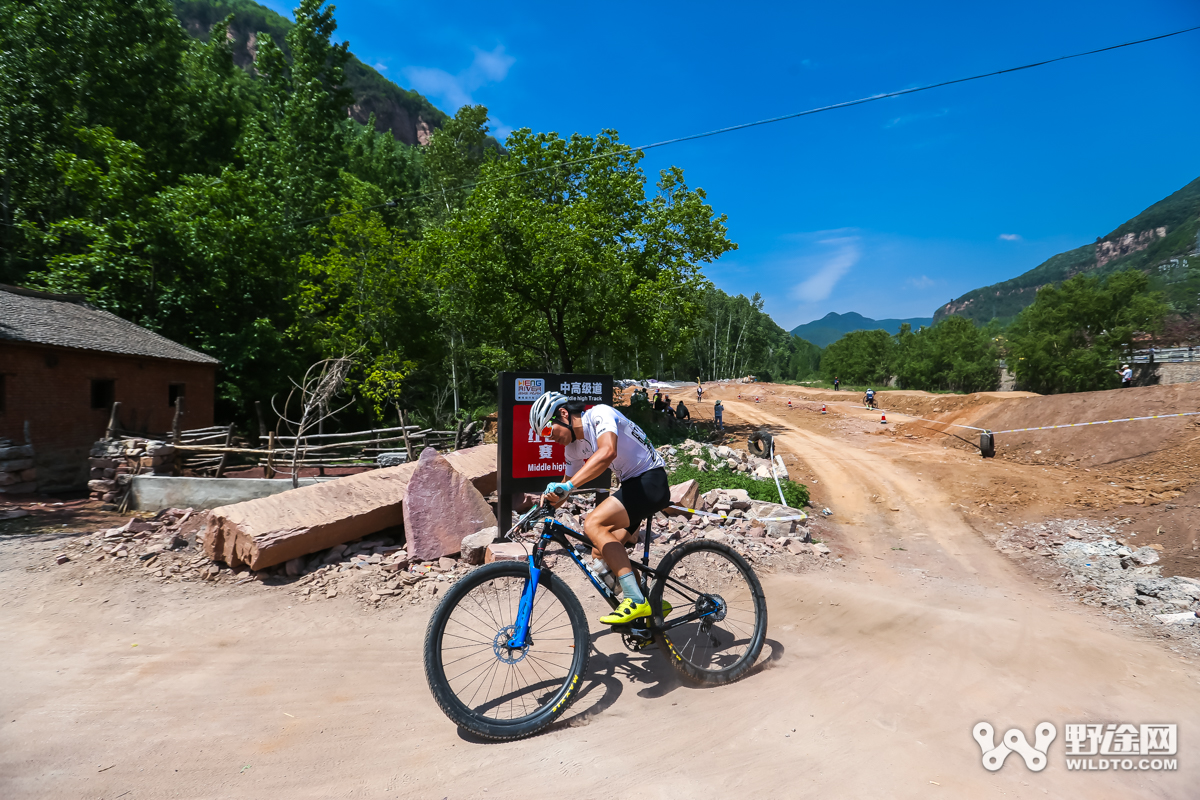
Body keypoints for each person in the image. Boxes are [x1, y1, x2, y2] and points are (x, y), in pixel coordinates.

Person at [530, 392, 671, 625]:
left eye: (547, 431)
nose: (548, 439)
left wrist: (568, 485)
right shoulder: (572, 449)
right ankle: (652, 606)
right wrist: (541, 507)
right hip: (632, 485)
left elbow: (607, 452)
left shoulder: (599, 414)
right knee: (601, 552)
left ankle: (635, 600)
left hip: (650, 480)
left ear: (563, 414)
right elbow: (563, 492)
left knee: (594, 523)